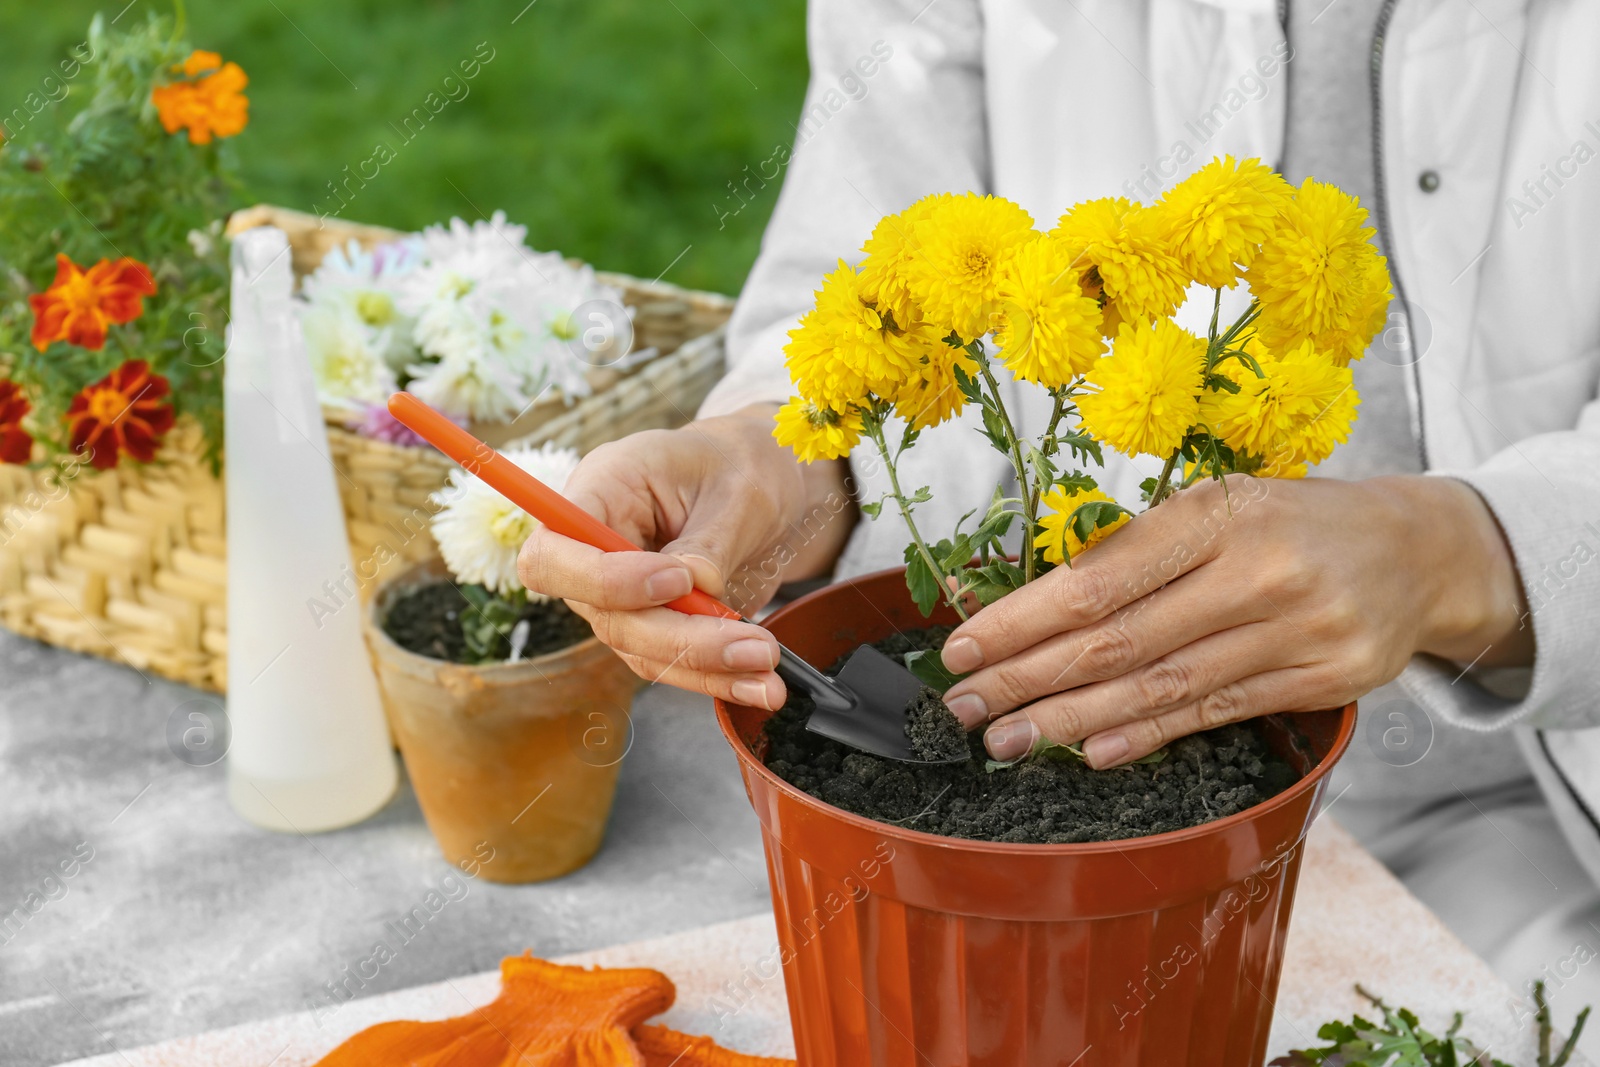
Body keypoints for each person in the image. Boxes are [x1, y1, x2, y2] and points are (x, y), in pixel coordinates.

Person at [519, 0, 1600, 1045]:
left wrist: (1462, 551)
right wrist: (796, 455)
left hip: (1533, 817)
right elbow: (874, 261)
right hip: (1041, 882)